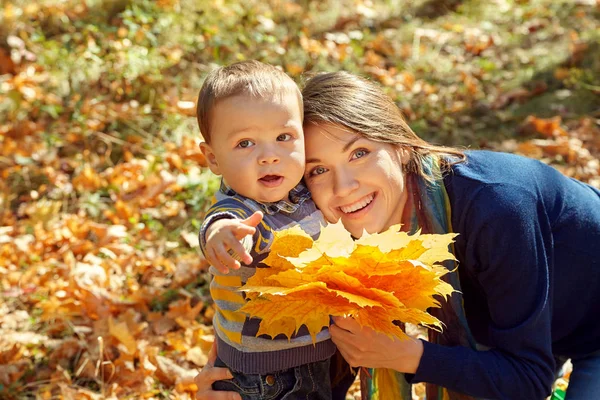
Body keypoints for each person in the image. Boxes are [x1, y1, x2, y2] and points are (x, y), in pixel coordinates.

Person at [195, 70, 600, 400]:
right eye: (318, 169)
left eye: (359, 153)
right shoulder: (332, 219)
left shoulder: (496, 206)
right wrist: (232, 371)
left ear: (400, 146)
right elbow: (270, 286)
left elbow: (527, 380)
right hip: (533, 330)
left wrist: (410, 356)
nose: (345, 186)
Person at [195, 60, 334, 400]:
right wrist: (225, 237)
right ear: (213, 159)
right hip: (262, 376)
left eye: (283, 137)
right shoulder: (240, 210)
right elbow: (218, 225)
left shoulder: (305, 191)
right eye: (245, 143)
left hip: (317, 355)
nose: (269, 156)